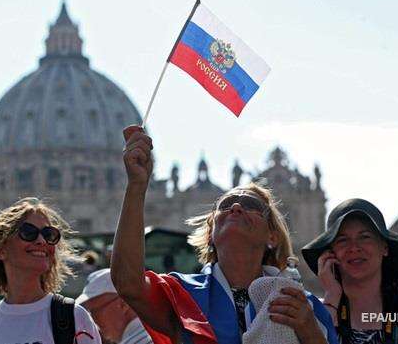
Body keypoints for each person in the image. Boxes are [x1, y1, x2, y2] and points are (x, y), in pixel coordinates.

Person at [110, 125, 337, 344]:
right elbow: (129, 285)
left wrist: (310, 332)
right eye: (225, 205)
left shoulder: (303, 304)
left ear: (272, 236)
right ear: (210, 233)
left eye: (250, 205)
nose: (236, 207)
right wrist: (137, 186)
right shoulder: (183, 294)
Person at [0, 197, 100, 344]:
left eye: (49, 234)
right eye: (28, 232)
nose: (42, 241)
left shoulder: (74, 317)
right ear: (1, 250)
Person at [302, 198, 398, 344]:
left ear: (385, 248)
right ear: (330, 253)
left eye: (364, 237)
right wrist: (331, 297)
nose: (354, 247)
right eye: (343, 240)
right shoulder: (312, 315)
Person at [76, 268, 153, 344]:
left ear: (124, 304)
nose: (93, 319)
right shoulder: (151, 333)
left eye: (95, 311)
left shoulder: (144, 340)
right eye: (90, 312)